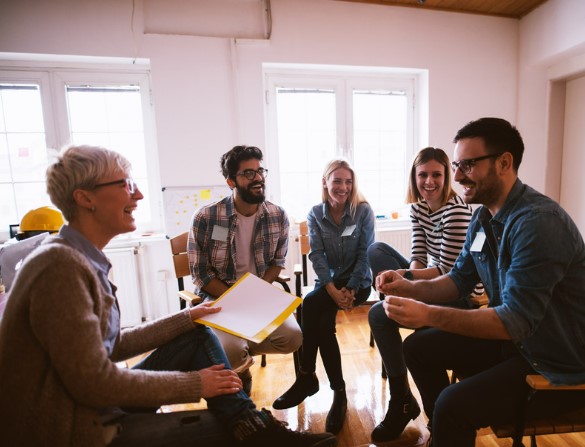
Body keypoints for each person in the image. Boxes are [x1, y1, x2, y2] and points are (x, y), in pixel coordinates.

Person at [0, 145, 337, 447]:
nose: (140, 195)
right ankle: (252, 425)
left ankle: (249, 423)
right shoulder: (60, 266)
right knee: (227, 427)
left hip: (90, 405)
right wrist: (195, 384)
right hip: (76, 426)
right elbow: (94, 384)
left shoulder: (77, 257)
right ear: (85, 198)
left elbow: (112, 345)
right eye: (126, 184)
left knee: (197, 335)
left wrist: (186, 317)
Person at [376, 118, 585, 447]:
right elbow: (458, 280)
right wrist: (407, 286)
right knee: (416, 348)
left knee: (452, 405)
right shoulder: (483, 217)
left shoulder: (538, 224)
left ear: (504, 163)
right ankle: (445, 434)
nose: (456, 177)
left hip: (553, 363)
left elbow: (513, 320)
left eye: (468, 165)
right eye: (457, 165)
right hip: (516, 344)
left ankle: (446, 427)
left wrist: (428, 314)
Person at [367, 147, 481, 442]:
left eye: (436, 175)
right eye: (422, 175)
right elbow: (419, 256)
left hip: (461, 293)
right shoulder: (418, 208)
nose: (429, 181)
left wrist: (405, 280)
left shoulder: (456, 210)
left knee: (380, 314)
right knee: (376, 250)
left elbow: (448, 271)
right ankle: (404, 398)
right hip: (433, 280)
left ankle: (402, 402)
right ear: (414, 177)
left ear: (447, 177)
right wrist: (407, 282)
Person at [272, 159, 375, 435]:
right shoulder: (316, 213)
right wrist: (331, 289)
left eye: (348, 181)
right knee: (320, 318)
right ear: (325, 182)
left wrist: (351, 289)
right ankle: (337, 392)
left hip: (358, 281)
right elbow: (316, 254)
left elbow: (366, 252)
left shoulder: (362, 211)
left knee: (310, 304)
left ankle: (307, 378)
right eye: (337, 180)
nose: (343, 187)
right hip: (329, 283)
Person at [188, 145, 302, 394]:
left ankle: (241, 350)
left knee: (293, 338)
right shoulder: (207, 217)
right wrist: (235, 301)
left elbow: (277, 264)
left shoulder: (277, 215)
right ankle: (241, 370)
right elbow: (201, 273)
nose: (258, 178)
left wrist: (255, 294)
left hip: (257, 296)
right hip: (218, 298)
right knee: (230, 350)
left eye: (260, 171)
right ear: (231, 181)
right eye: (248, 173)